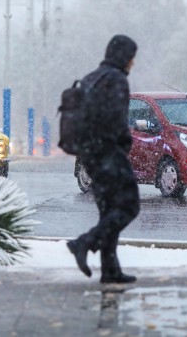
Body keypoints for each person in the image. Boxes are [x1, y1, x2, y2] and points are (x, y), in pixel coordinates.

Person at [67, 34, 140, 284]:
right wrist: (124, 145)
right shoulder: (116, 79)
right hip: (109, 152)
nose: (132, 62)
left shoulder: (92, 77)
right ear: (123, 56)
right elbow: (117, 120)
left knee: (108, 210)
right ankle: (84, 242)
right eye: (131, 57)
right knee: (129, 206)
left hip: (89, 155)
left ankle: (110, 269)